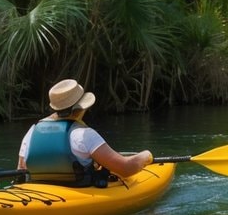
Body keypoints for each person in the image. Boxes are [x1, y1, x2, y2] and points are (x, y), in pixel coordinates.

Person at [17, 79, 152, 186]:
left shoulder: (33, 131)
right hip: (76, 190)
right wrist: (146, 155)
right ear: (82, 108)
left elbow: (21, 170)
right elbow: (126, 168)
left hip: (40, 190)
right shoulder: (84, 135)